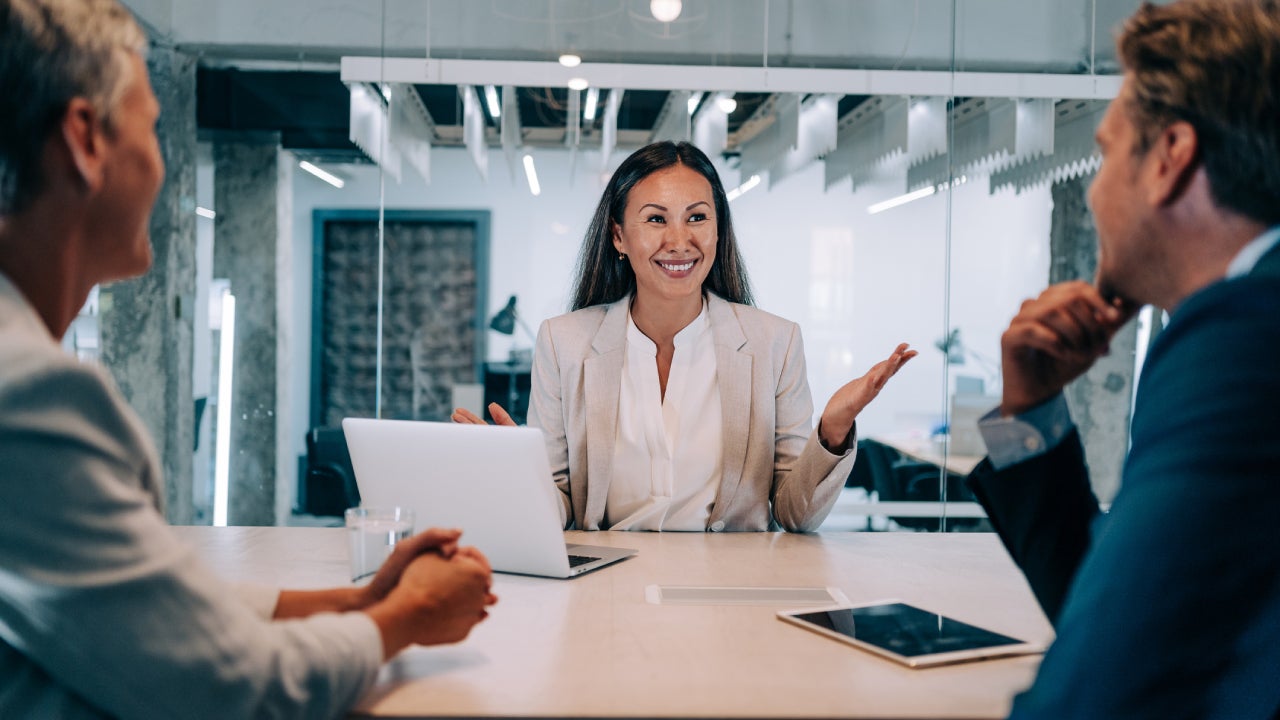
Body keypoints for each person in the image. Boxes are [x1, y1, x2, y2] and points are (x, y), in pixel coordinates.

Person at [0, 1, 496, 717]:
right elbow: (223, 685)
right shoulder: (30, 394)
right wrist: (402, 619)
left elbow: (140, 609)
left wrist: (357, 598)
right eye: (152, 128)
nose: (165, 165)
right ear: (85, 140)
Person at [964, 0, 1280, 716]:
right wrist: (1030, 413)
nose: (1094, 189)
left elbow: (1094, 692)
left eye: (1105, 154)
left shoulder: (1244, 334)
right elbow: (1120, 612)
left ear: (1168, 159)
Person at [456, 141, 915, 532]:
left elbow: (796, 515)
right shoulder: (564, 342)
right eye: (656, 219)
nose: (679, 241)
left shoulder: (774, 342)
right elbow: (561, 509)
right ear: (618, 236)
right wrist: (518, 472)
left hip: (727, 593)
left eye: (697, 218)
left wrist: (832, 431)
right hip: (607, 594)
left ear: (718, 231)